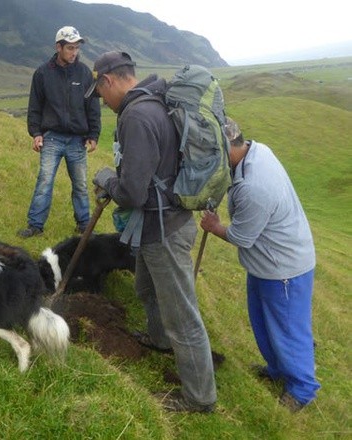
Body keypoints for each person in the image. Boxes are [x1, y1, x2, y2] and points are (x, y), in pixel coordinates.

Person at [89, 51, 216, 413]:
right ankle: (159, 340)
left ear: (108, 81)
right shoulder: (155, 102)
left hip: (164, 230)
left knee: (183, 318)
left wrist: (106, 178)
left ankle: (199, 398)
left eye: (100, 93)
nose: (102, 102)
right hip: (161, 222)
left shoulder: (137, 116)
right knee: (145, 287)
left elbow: (132, 192)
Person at [200, 117, 320, 412]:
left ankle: (302, 390)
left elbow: (241, 236)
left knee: (290, 330)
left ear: (225, 148)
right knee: (265, 324)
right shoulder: (256, 150)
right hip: (267, 265)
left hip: (285, 270)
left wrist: (215, 226)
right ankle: (278, 369)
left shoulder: (255, 186)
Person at [17, 26, 101, 238]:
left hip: (77, 140)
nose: (74, 53)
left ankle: (84, 227)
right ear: (59, 47)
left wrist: (93, 135)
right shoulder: (42, 74)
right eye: (70, 48)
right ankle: (35, 226)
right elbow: (35, 106)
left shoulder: (84, 74)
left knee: (81, 185)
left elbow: (93, 107)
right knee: (44, 182)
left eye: (77, 48)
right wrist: (36, 133)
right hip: (51, 137)